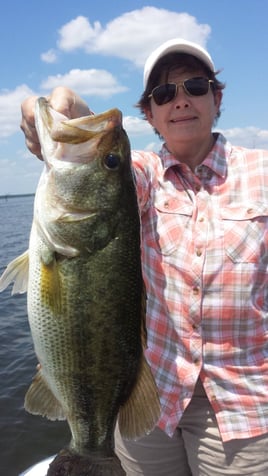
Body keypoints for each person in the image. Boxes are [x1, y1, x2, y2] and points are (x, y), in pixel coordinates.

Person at [20, 38, 268, 476]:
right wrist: (60, 102)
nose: (180, 101)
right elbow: (85, 137)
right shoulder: (143, 177)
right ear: (149, 113)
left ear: (217, 97)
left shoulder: (262, 172)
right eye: (163, 94)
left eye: (195, 85)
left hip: (245, 408)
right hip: (148, 397)